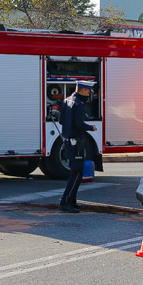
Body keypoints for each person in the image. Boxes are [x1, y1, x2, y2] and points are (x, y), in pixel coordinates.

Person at [58, 80, 97, 213]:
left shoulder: (66, 101)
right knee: (77, 172)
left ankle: (72, 201)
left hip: (68, 140)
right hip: (77, 141)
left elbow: (61, 120)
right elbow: (79, 124)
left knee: (76, 172)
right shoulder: (79, 104)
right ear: (82, 90)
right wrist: (91, 127)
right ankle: (66, 202)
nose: (88, 94)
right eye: (87, 91)